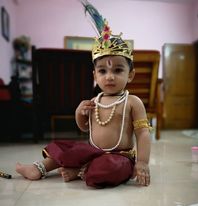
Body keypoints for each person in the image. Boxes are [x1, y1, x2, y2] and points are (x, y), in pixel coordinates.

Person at [16, 3, 151, 188]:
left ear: (130, 75)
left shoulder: (132, 102)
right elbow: (86, 128)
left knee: (111, 167)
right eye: (102, 71)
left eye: (118, 70)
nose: (109, 76)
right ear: (95, 76)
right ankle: (39, 167)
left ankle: (80, 171)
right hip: (92, 151)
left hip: (120, 156)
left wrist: (142, 162)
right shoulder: (95, 101)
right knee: (68, 148)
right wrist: (79, 113)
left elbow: (143, 133)